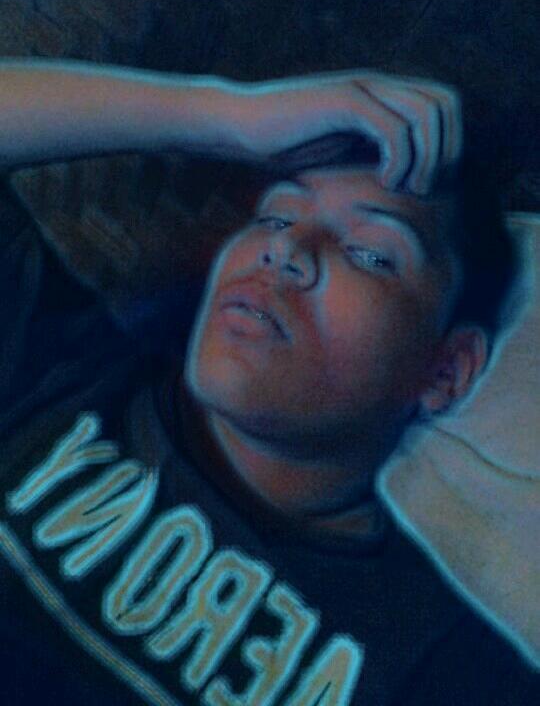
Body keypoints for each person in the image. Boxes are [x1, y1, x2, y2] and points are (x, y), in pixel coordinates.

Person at [0, 59, 537, 705]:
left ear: (446, 369)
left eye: (369, 253)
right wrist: (229, 117)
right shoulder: (63, 368)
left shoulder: (438, 666)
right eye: (276, 217)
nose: (284, 249)